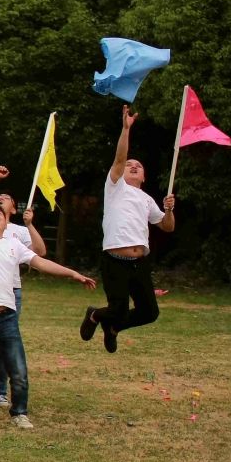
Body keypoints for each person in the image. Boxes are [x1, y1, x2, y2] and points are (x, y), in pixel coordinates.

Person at [0, 156, 96, 430]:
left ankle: (19, 412)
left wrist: (73, 273)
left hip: (6, 317)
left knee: (18, 370)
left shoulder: (14, 245)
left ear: (6, 223)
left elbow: (41, 262)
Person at [79, 106, 176, 354]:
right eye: (129, 164)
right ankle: (95, 315)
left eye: (138, 166)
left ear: (144, 177)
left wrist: (169, 210)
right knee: (117, 309)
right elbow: (119, 159)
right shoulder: (115, 187)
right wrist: (126, 129)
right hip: (115, 261)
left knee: (150, 312)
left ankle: (113, 328)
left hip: (139, 262)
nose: (133, 166)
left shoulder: (147, 199)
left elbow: (167, 226)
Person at [0, 190, 45, 410]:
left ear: (13, 209)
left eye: (5, 197)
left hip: (12, 291)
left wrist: (30, 225)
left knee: (4, 346)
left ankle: (0, 392)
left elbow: (40, 252)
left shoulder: (19, 231)